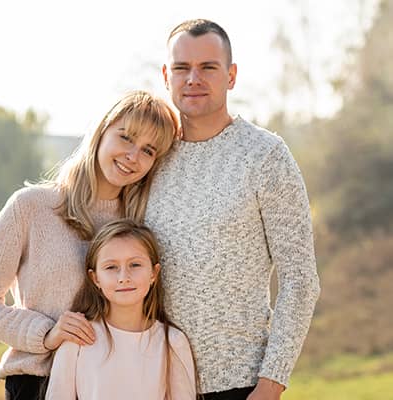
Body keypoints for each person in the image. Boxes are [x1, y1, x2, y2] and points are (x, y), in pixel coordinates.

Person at [0, 90, 178, 400]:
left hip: (114, 385)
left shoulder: (141, 223)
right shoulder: (31, 207)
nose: (133, 156)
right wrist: (45, 333)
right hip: (38, 381)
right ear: (101, 131)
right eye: (126, 138)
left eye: (148, 150)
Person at [145, 19, 321, 400]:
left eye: (208, 67)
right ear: (165, 75)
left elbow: (300, 280)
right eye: (181, 68)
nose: (193, 78)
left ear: (231, 75)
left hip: (238, 383)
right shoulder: (149, 157)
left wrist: (270, 385)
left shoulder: (266, 156)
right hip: (154, 380)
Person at [45, 219, 196, 400]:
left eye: (135, 265)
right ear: (95, 278)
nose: (124, 277)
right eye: (111, 267)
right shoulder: (77, 337)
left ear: (153, 274)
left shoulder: (172, 341)